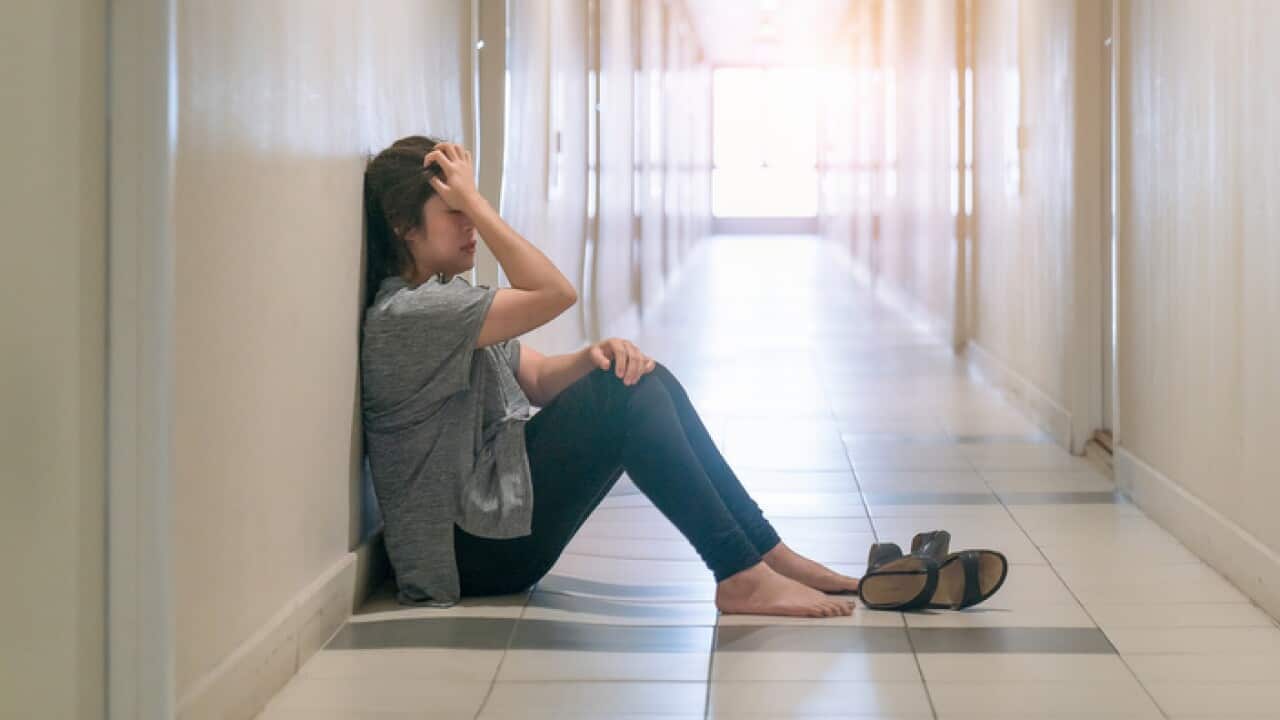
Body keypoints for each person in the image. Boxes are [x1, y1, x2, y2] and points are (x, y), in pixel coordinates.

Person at [360, 135, 859, 618]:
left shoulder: (445, 302)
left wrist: (593, 356)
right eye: (456, 212)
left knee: (638, 374)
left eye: (472, 208)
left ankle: (765, 553)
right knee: (622, 394)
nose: (471, 222)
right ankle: (741, 573)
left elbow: (537, 378)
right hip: (466, 551)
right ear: (405, 226)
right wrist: (480, 205)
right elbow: (555, 292)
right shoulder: (410, 315)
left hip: (488, 530)